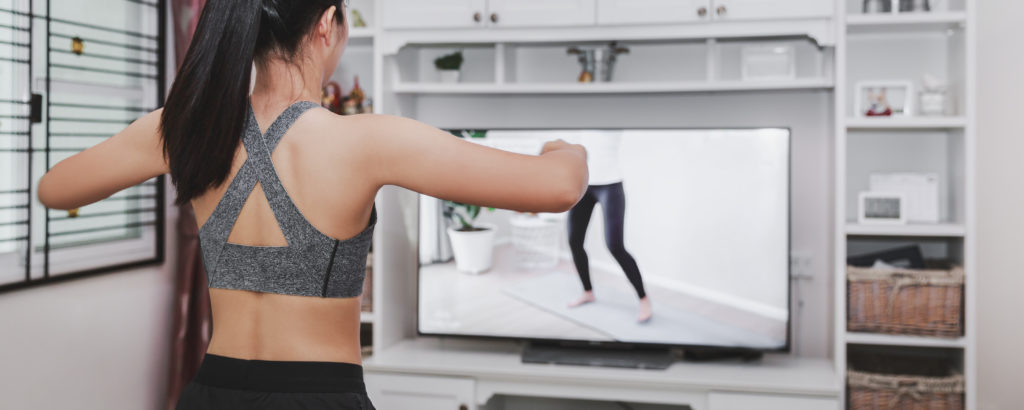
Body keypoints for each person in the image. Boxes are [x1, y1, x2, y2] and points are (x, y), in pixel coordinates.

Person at [35, 1, 588, 409]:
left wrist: (165, 134)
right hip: (318, 397)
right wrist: (567, 147)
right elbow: (559, 186)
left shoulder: (182, 131)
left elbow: (54, 189)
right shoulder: (366, 142)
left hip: (210, 395)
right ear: (327, 23)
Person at [561, 131, 652, 324]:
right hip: (583, 184)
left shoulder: (610, 111)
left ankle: (643, 299)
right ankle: (588, 292)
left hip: (610, 186)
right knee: (574, 241)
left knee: (615, 246)